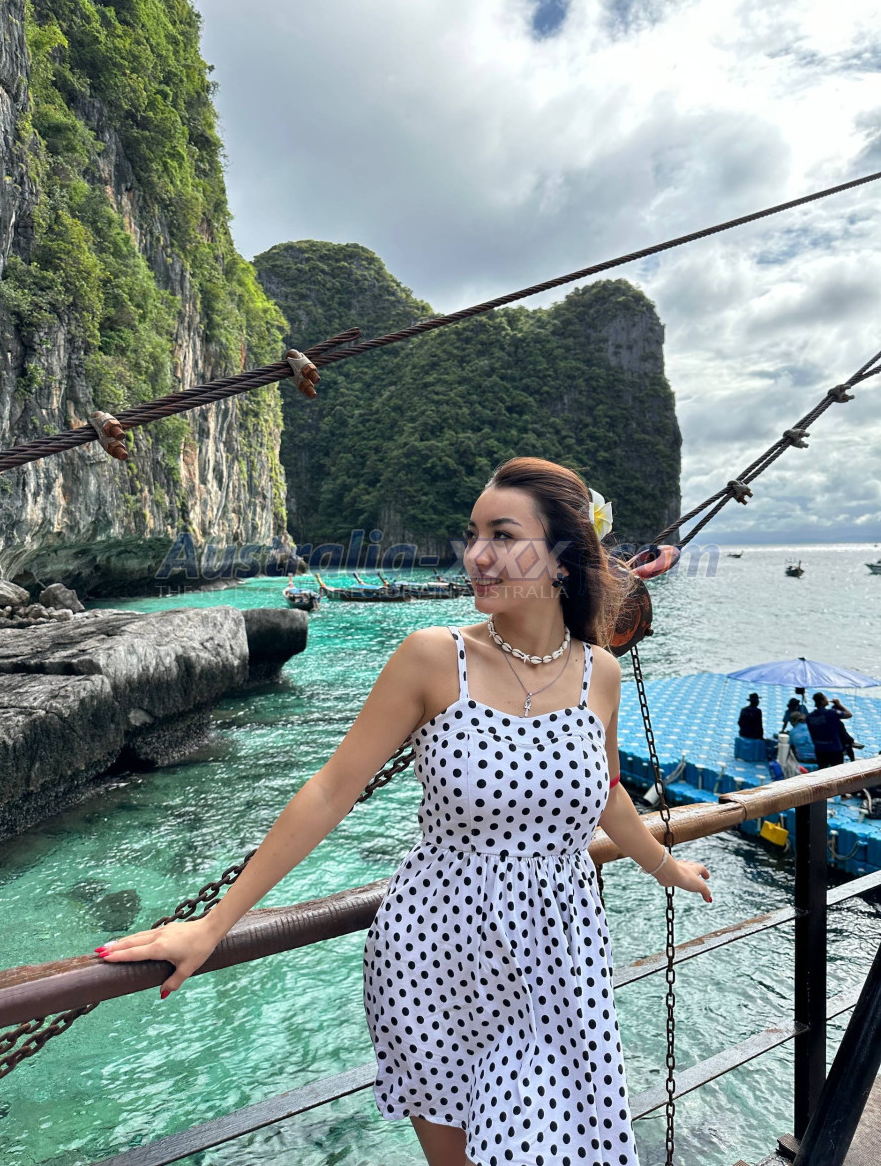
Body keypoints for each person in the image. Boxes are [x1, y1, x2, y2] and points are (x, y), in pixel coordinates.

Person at [89, 455, 712, 1166]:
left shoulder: (598, 671)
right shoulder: (433, 658)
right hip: (436, 957)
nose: (476, 556)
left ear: (564, 556)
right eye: (473, 535)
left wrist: (665, 866)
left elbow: (608, 792)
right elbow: (331, 791)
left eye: (503, 536)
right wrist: (213, 926)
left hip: (561, 958)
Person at [805, 692, 853, 768]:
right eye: (826, 699)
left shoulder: (809, 717)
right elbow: (849, 714)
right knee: (837, 771)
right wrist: (839, 704)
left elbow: (811, 733)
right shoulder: (831, 713)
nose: (828, 700)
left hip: (820, 749)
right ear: (822, 701)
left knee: (822, 771)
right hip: (834, 749)